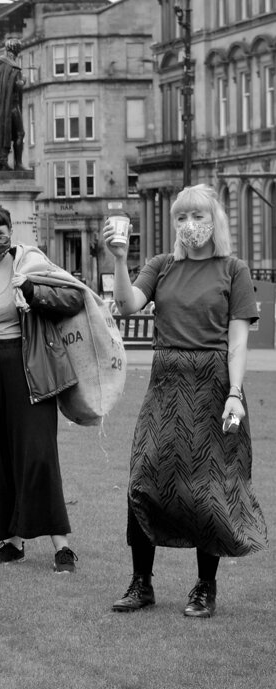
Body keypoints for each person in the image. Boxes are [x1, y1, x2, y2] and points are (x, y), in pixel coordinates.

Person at [105, 184, 266, 618]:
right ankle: (142, 583)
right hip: (166, 381)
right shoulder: (162, 266)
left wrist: (234, 393)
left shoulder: (234, 269)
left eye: (196, 215)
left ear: (214, 219)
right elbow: (125, 305)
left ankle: (204, 588)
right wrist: (119, 260)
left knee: (209, 485)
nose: (187, 225)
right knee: (143, 478)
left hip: (214, 383)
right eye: (180, 217)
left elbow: (236, 342)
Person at [0, 204, 83, 572]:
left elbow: (74, 297)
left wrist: (33, 290)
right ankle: (12, 541)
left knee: (38, 455)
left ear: (11, 231)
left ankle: (62, 546)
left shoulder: (30, 264)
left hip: (29, 371)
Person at [0, 39, 24, 170]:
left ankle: (3, 159)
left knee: (6, 133)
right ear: (14, 52)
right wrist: (22, 82)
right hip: (12, 105)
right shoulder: (12, 66)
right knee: (20, 133)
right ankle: (17, 163)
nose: (17, 55)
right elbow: (16, 85)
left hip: (2, 106)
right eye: (17, 52)